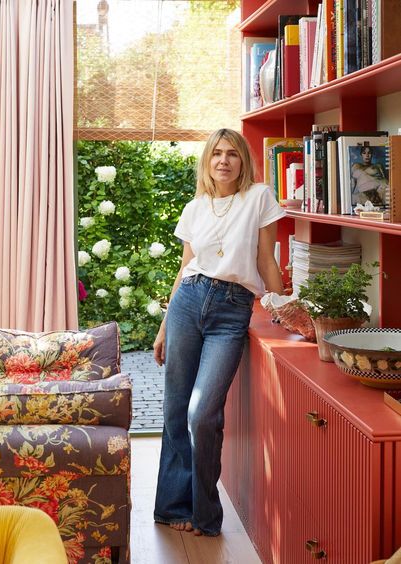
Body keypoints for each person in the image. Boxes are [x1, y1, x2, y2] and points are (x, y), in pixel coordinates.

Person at [153, 128, 286, 537]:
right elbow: (184, 269)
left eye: (232, 154)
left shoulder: (259, 197)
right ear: (207, 162)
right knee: (176, 409)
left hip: (231, 311)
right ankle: (173, 506)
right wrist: (162, 328)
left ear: (243, 160)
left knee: (202, 413)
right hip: (187, 303)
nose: (224, 161)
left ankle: (206, 516)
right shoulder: (195, 207)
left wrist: (284, 312)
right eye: (216, 154)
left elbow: (266, 261)